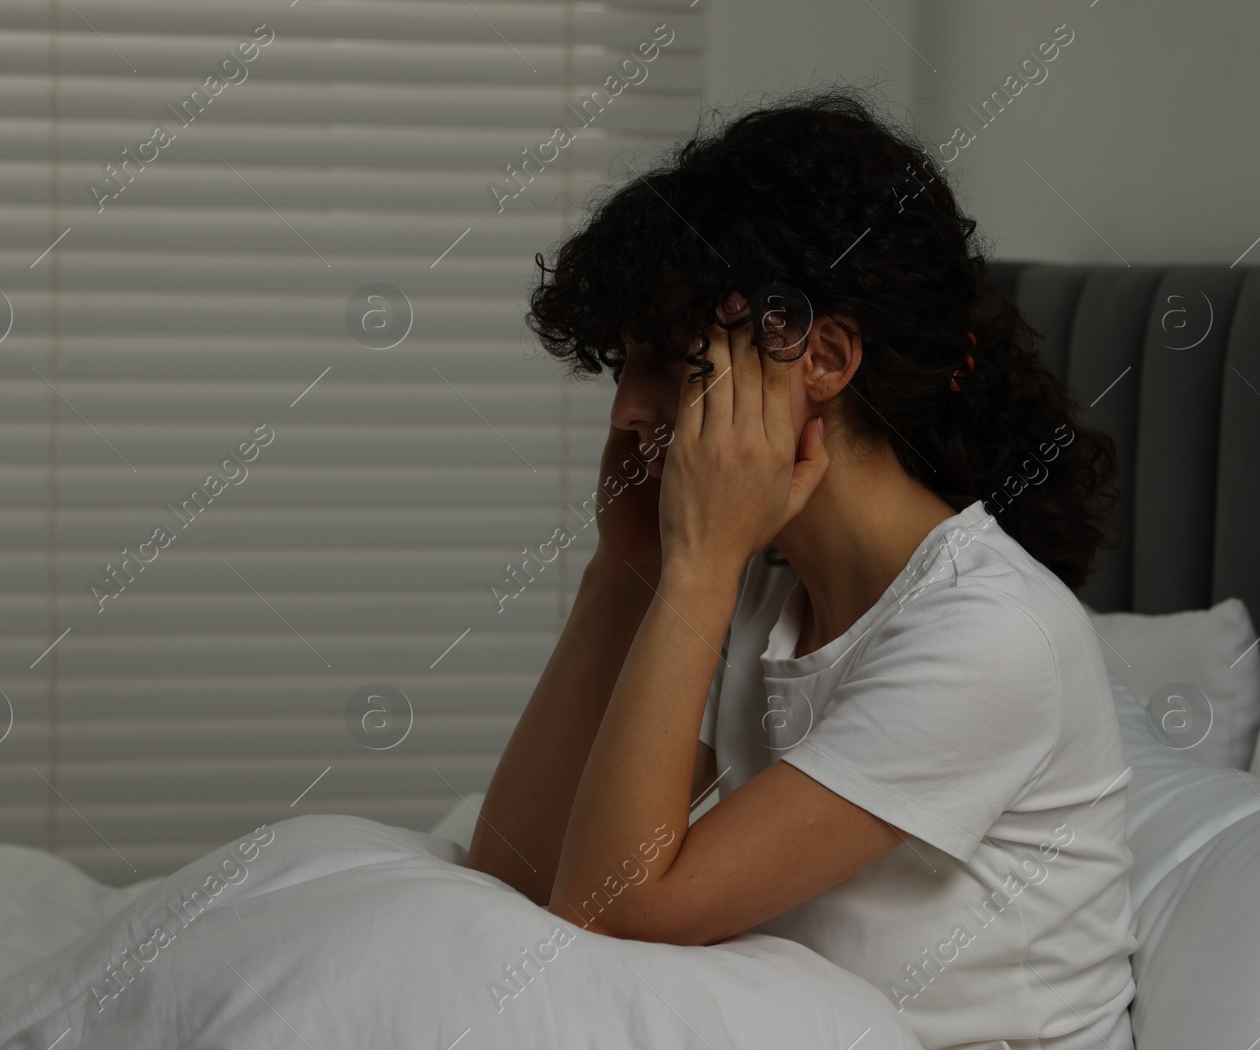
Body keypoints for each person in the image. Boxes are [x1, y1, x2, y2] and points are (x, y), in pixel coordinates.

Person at [465, 84, 1137, 1050]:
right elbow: (516, 875)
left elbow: (610, 916)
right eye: (624, 364)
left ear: (819, 355)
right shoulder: (765, 597)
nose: (626, 409)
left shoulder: (990, 634)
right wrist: (628, 569)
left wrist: (693, 568)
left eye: (669, 358)